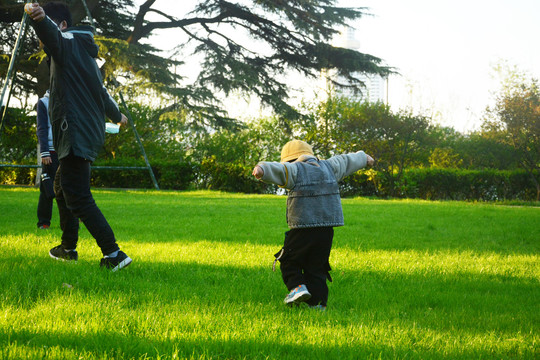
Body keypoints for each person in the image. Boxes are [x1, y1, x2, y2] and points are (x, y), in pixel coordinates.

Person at [26, 2, 132, 271]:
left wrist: (39, 20)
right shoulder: (84, 55)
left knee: (78, 197)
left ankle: (114, 254)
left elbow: (51, 34)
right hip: (83, 132)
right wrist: (116, 115)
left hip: (74, 133)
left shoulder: (67, 43)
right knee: (62, 187)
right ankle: (68, 247)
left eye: (47, 29)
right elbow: (102, 93)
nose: (40, 42)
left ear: (62, 25)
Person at [252, 140, 374, 309]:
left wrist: (262, 169)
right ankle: (317, 305)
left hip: (303, 227)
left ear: (289, 160)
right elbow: (345, 161)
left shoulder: (293, 169)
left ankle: (296, 287)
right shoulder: (329, 167)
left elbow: (279, 170)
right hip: (326, 229)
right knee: (317, 267)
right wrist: (363, 158)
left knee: (288, 259)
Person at [36, 90, 59, 229]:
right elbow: (42, 128)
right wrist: (44, 152)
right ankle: (44, 222)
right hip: (50, 151)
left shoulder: (69, 98)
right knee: (47, 189)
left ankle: (72, 221)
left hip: (67, 150)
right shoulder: (43, 102)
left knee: (70, 187)